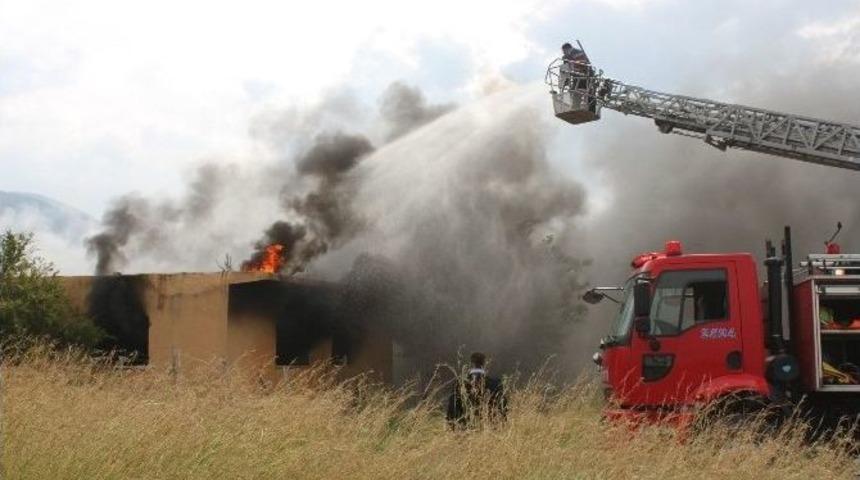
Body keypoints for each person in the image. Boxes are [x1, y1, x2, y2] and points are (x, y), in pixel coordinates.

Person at [446, 352, 507, 429]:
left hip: (465, 430)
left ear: (471, 364)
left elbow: (452, 409)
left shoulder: (460, 384)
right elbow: (502, 407)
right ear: (484, 364)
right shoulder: (496, 383)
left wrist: (454, 427)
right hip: (489, 429)